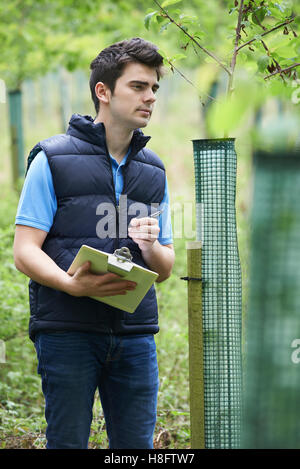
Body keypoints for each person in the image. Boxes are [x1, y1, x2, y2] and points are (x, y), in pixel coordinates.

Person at [13, 37, 174, 449]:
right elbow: (25, 250)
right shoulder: (52, 159)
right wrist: (70, 284)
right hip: (67, 329)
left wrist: (152, 246)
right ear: (103, 91)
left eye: (154, 87)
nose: (150, 97)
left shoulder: (154, 171)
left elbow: (165, 268)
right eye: (138, 86)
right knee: (67, 442)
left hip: (136, 335)